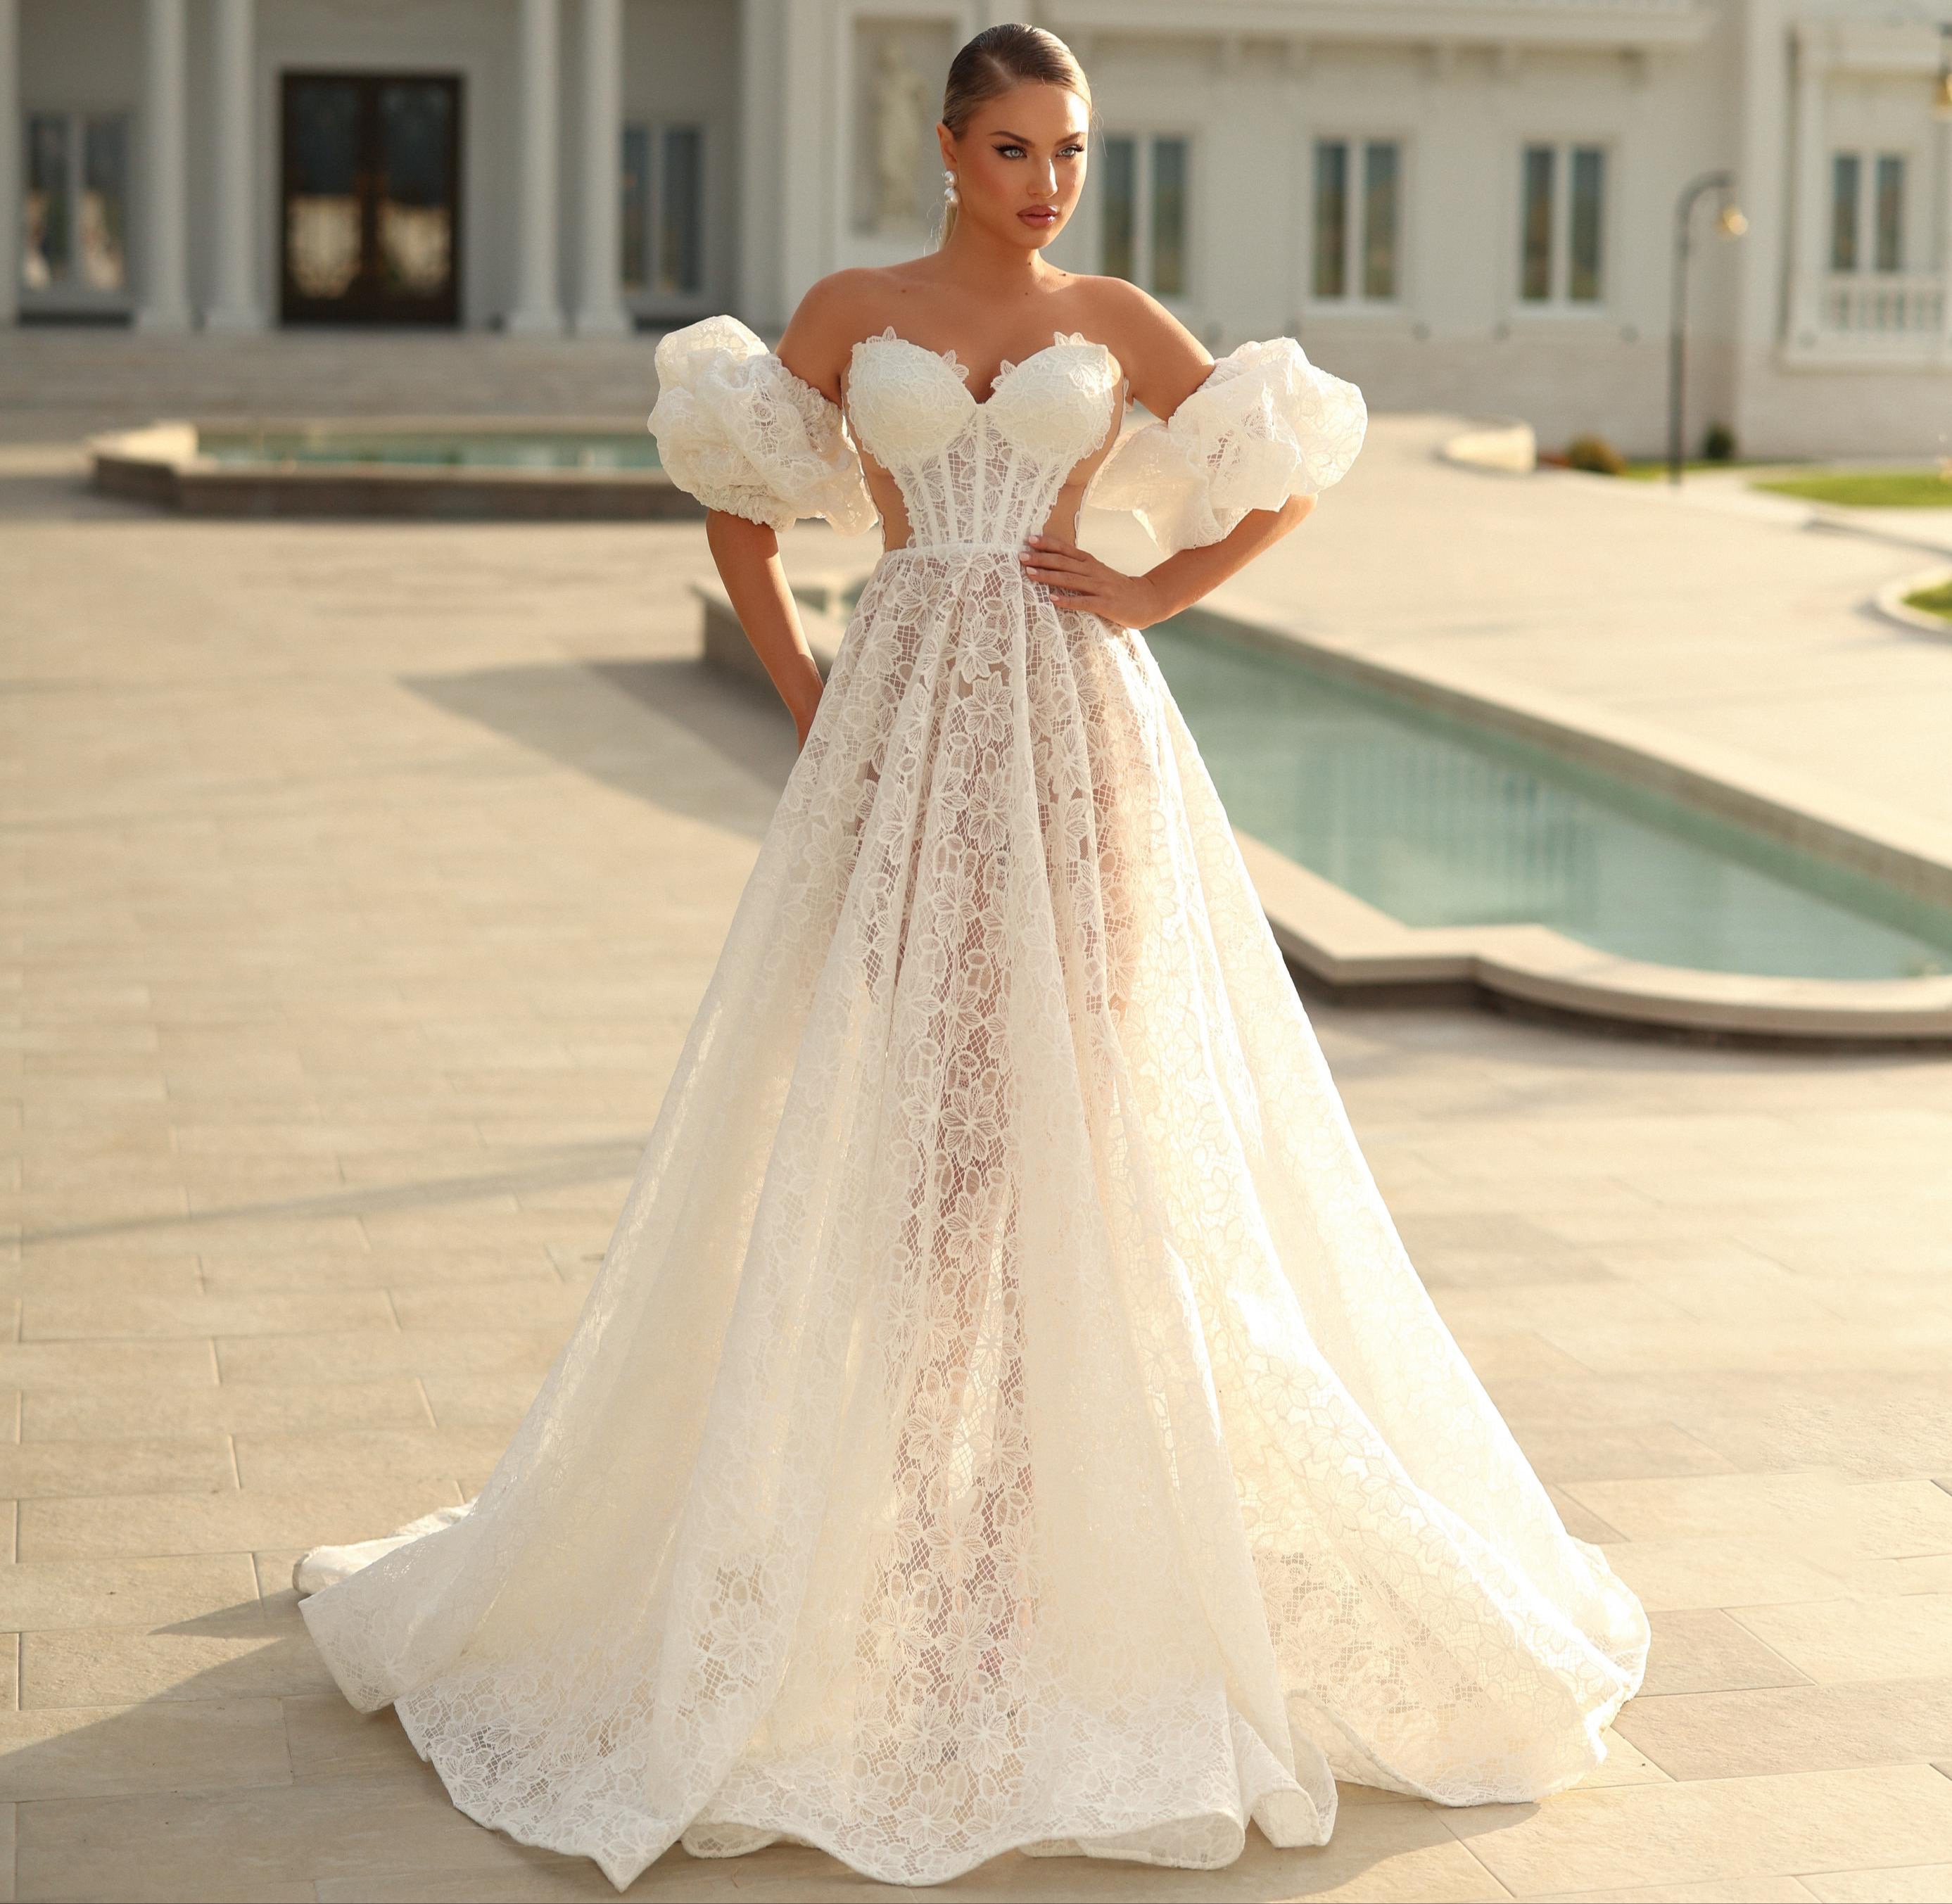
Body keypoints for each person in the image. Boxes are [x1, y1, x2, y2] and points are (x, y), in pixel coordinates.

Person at [292, 23, 1648, 1893]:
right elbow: (736, 507)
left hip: (1085, 740)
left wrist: (1159, 588)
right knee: (918, 1128)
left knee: (1079, 1125)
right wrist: (806, 697)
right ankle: (912, 1533)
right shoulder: (855, 305)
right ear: (948, 146)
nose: (1050, 183)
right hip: (908, 733)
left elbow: (1289, 457)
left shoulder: (1117, 310)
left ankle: (1023, 1540)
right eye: (1016, 148)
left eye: (1071, 149)